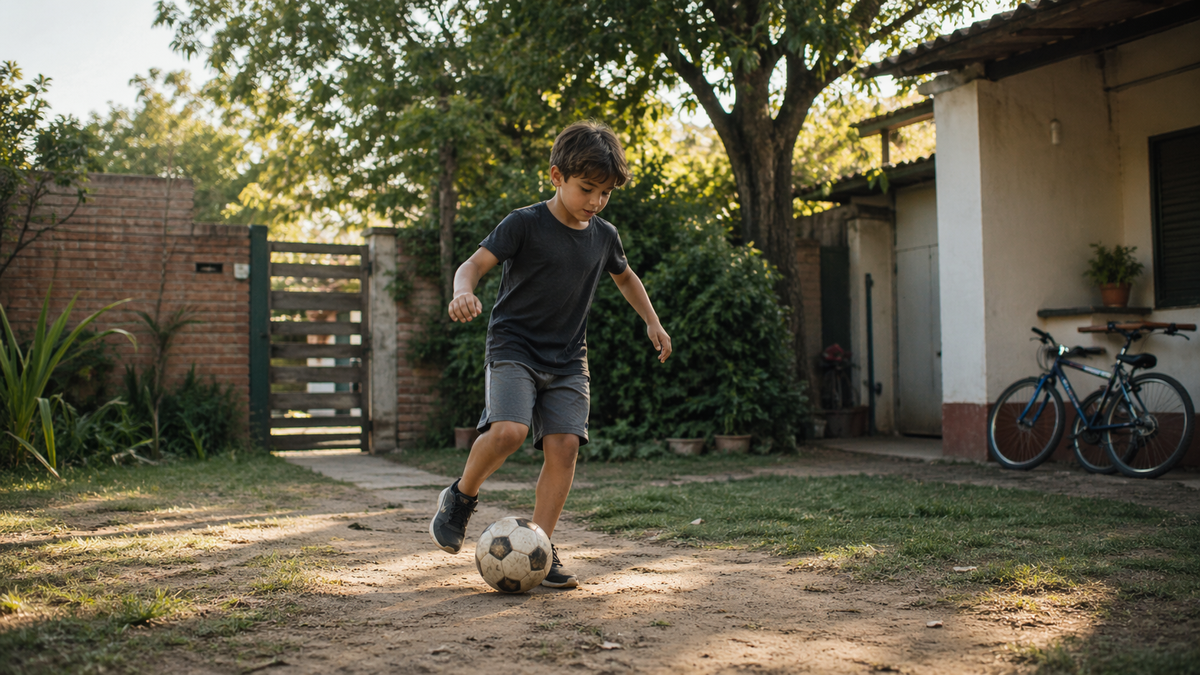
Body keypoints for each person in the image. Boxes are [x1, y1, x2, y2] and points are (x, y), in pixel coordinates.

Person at [428, 121, 672, 588]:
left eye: (605, 193)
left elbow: (626, 277)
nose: (596, 201)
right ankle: (459, 498)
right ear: (557, 176)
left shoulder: (604, 234)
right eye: (587, 189)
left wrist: (652, 321)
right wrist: (463, 292)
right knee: (509, 432)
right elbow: (473, 264)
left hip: (567, 358)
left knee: (564, 447)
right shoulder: (524, 223)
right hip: (513, 346)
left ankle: (540, 545)